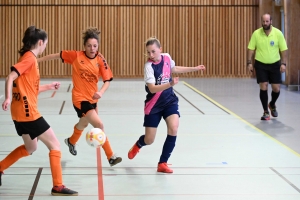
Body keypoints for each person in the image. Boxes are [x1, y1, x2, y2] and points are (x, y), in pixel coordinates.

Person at [0, 26, 78, 196]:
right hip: (29, 114)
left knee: (30, 147)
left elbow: (29, 89)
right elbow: (10, 76)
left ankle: (0, 167)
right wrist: (7, 97)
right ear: (40, 42)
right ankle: (58, 185)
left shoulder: (27, 58)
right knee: (55, 145)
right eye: (45, 44)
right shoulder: (30, 59)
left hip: (18, 114)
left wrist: (48, 86)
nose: (45, 47)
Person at [37, 27, 122, 166]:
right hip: (80, 99)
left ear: (98, 46)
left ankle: (71, 141)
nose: (92, 48)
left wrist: (101, 92)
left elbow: (107, 80)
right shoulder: (76, 56)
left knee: (84, 123)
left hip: (93, 98)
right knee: (99, 125)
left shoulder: (101, 59)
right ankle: (111, 156)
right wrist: (37, 61)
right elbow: (56, 55)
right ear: (84, 46)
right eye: (89, 45)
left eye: (95, 46)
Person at [127, 37, 205, 173]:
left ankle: (162, 163)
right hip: (154, 105)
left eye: (153, 51)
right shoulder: (149, 67)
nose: (151, 55)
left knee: (174, 128)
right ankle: (139, 144)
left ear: (160, 50)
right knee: (149, 139)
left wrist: (195, 68)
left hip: (169, 101)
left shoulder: (167, 57)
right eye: (148, 52)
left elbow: (174, 68)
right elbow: (152, 88)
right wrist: (170, 84)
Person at [247, 13, 288, 120]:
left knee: (276, 88)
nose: (265, 23)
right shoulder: (256, 34)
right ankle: (265, 111)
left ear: (271, 21)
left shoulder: (278, 33)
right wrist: (249, 63)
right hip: (260, 64)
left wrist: (283, 64)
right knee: (263, 85)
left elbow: (283, 50)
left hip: (275, 64)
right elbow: (251, 49)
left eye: (267, 21)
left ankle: (272, 104)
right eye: (263, 21)